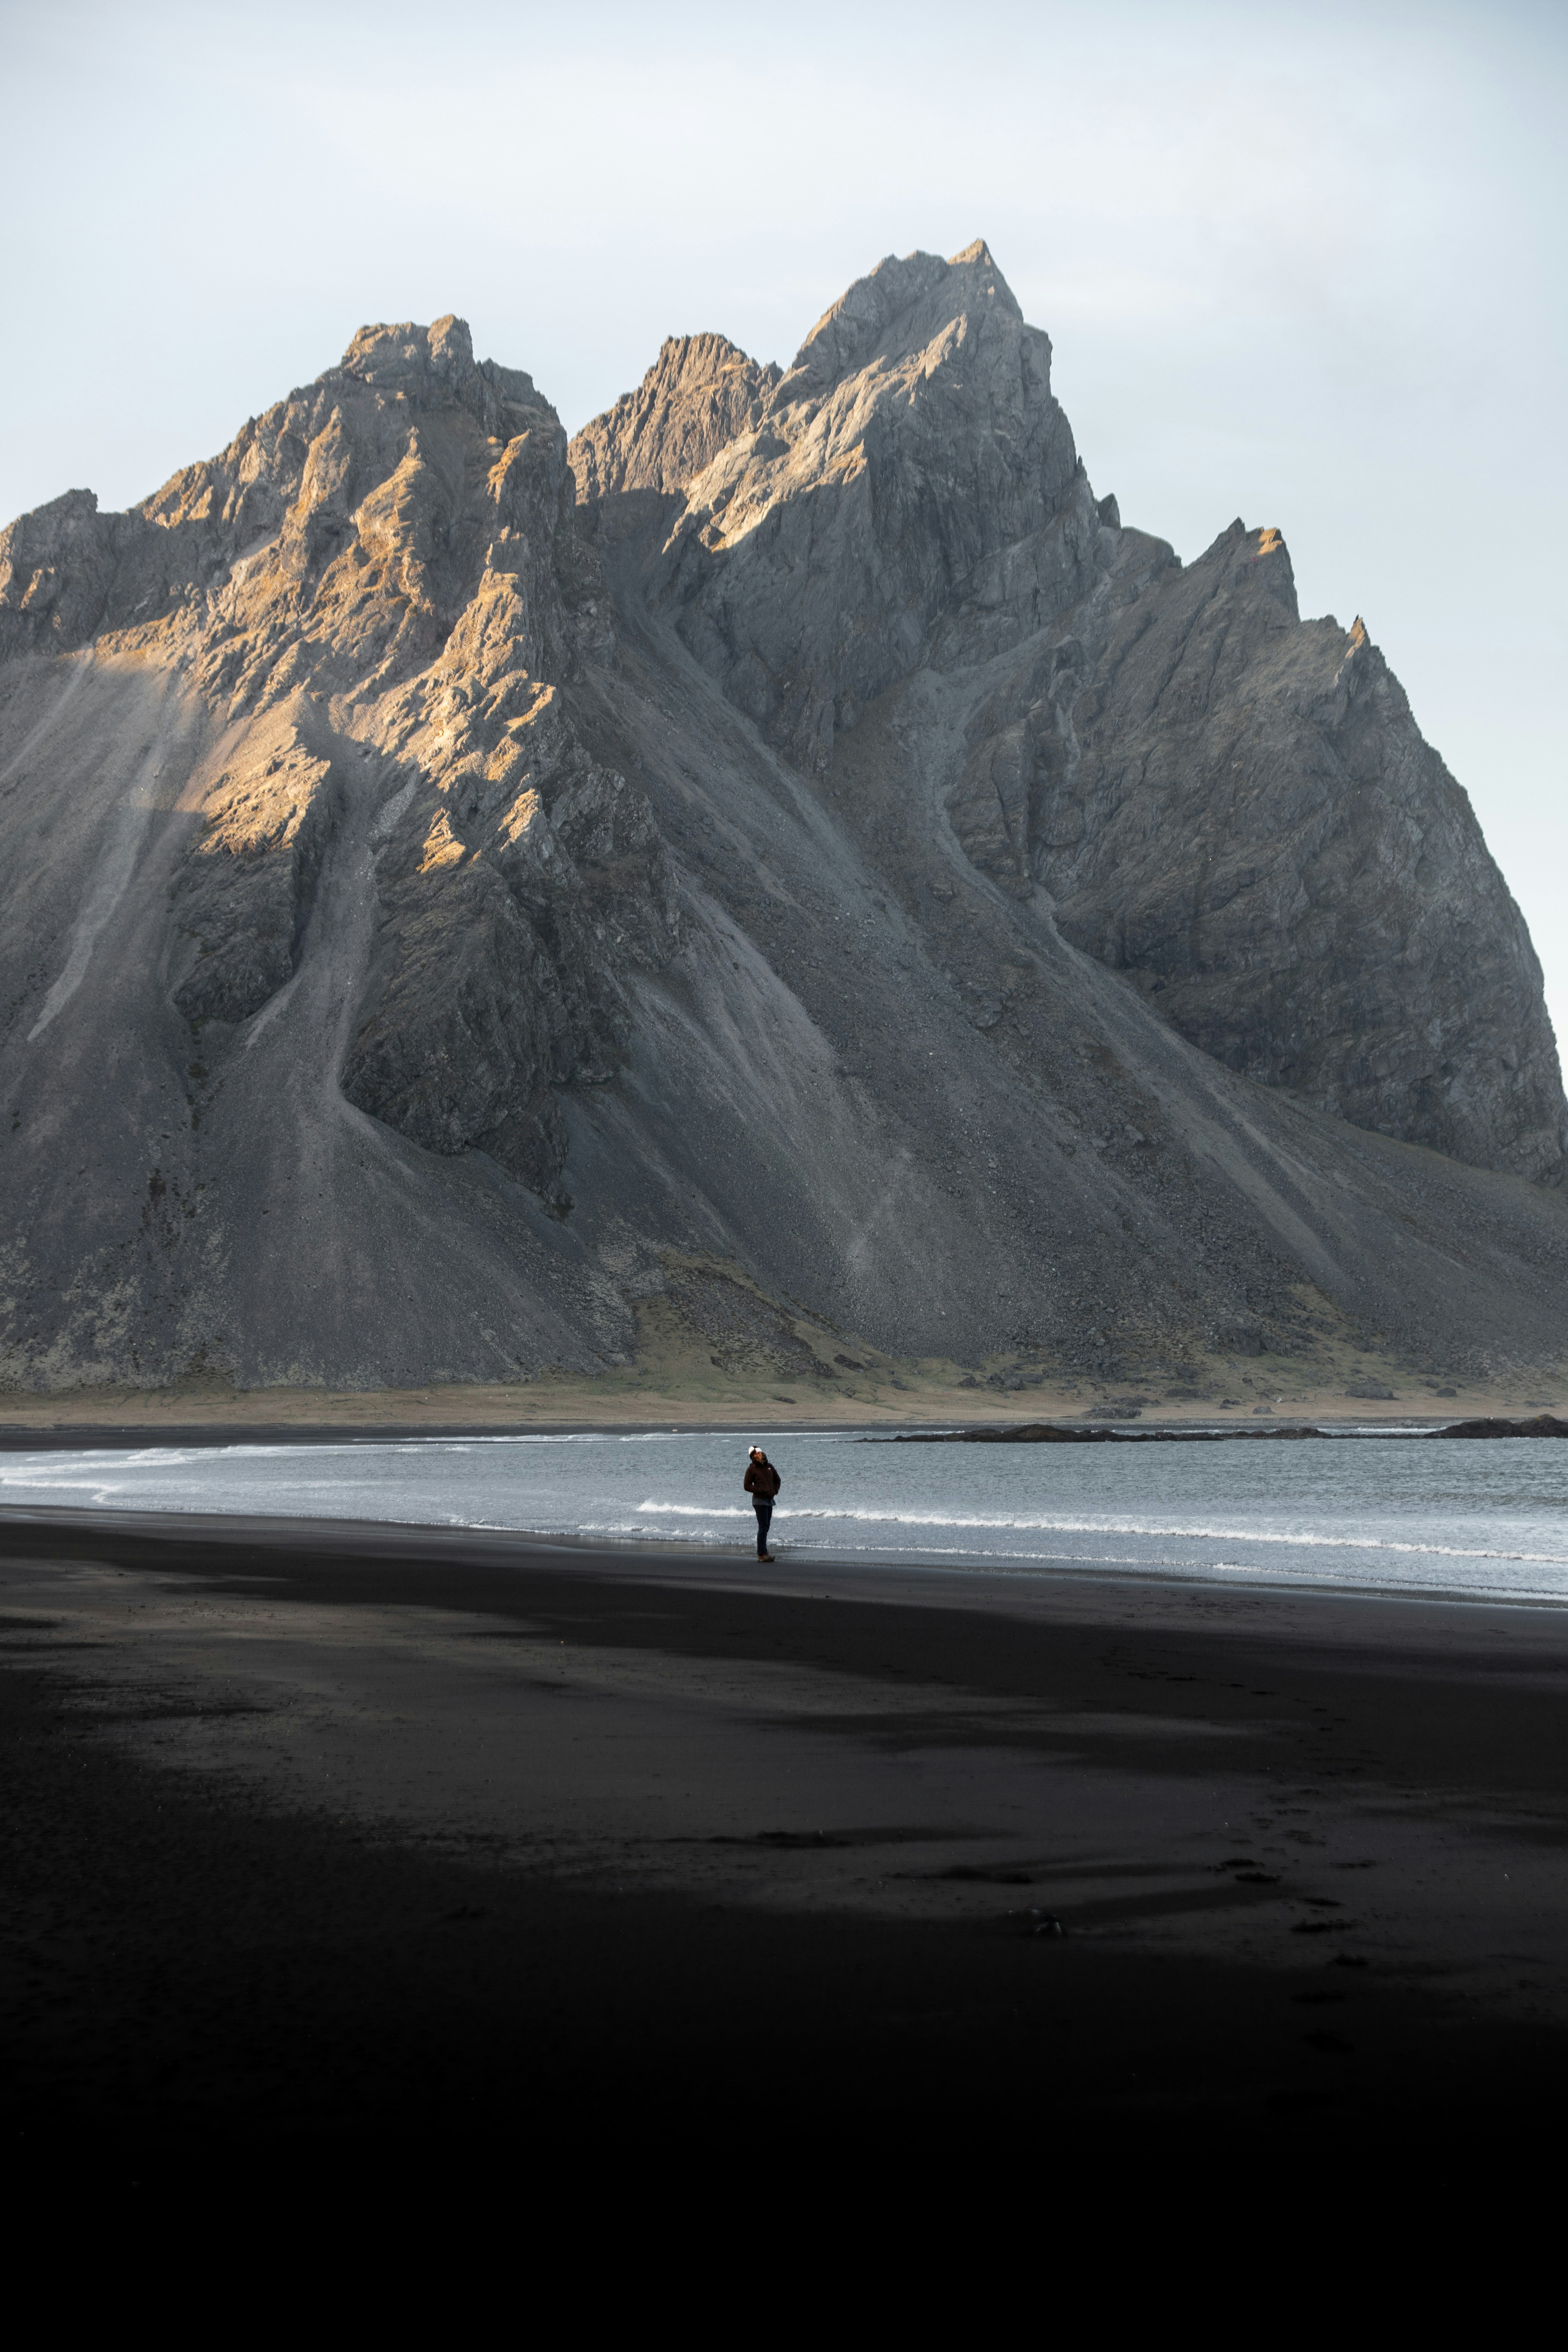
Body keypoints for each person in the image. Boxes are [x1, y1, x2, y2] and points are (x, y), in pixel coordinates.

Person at [743, 1445, 782, 1561]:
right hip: (759, 1501)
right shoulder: (751, 1469)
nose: (758, 1455)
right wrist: (761, 1490)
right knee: (763, 1526)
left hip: (770, 1500)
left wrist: (775, 1491)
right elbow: (747, 1486)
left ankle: (764, 1552)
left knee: (766, 1526)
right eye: (755, 1454)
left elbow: (778, 1480)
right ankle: (762, 1554)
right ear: (752, 1457)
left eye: (759, 1453)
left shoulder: (770, 1467)